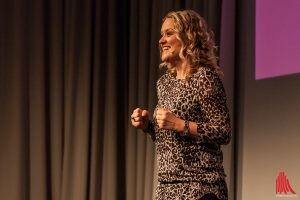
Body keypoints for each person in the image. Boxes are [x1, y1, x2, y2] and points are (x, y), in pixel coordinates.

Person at [130, 10, 231, 200]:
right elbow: (170, 139)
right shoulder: (164, 83)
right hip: (167, 188)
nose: (161, 41)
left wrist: (179, 124)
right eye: (161, 35)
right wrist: (148, 127)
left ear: (188, 37)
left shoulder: (205, 78)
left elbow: (223, 131)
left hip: (201, 187)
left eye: (169, 33)